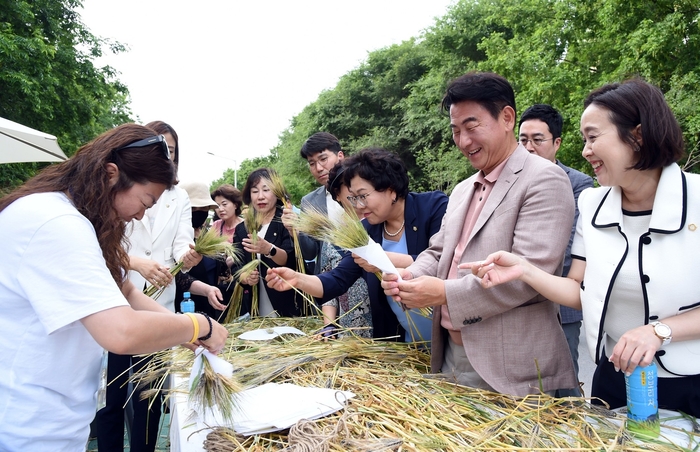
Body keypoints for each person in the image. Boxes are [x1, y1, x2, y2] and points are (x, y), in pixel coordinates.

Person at [462, 78, 700, 416]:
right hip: (615, 380)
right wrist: (524, 270)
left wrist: (660, 331)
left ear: (638, 135)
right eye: (583, 139)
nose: (586, 151)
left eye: (593, 137)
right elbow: (580, 289)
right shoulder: (592, 204)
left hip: (691, 381)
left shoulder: (697, 200)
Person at [0, 124, 227, 451]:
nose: (139, 216)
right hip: (25, 424)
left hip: (53, 417)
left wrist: (186, 334)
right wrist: (198, 325)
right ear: (111, 174)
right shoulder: (57, 224)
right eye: (145, 201)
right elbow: (121, 333)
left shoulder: (79, 220)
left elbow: (127, 292)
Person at [381, 72, 577, 396]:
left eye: (471, 128)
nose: (463, 142)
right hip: (451, 357)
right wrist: (410, 277)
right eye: (456, 131)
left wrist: (443, 293)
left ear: (507, 118)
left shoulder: (544, 179)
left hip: (511, 367)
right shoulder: (461, 190)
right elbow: (438, 252)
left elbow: (527, 274)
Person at [267, 148, 448, 343]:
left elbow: (445, 261)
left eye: (362, 195)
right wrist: (297, 279)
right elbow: (337, 280)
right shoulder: (366, 230)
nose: (358, 206)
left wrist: (381, 259)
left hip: (449, 336)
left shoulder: (433, 207)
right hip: (408, 341)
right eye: (353, 198)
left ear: (390, 189)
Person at [96, 120, 201, 452]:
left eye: (171, 151)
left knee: (149, 395)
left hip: (157, 299)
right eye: (160, 149)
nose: (166, 155)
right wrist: (136, 263)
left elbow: (181, 245)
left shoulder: (179, 197)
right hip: (116, 295)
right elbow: (108, 246)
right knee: (113, 394)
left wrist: (191, 255)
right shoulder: (111, 203)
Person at [519, 104, 595, 396]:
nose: (529, 147)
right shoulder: (509, 181)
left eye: (537, 140)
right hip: (517, 303)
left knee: (565, 384)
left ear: (557, 143)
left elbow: (569, 244)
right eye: (523, 140)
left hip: (561, 301)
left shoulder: (578, 183)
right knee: (527, 387)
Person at [283, 132, 372, 338]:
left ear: (339, 155)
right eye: (312, 163)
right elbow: (311, 250)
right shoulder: (310, 202)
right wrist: (295, 231)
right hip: (331, 286)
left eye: (323, 159)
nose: (319, 168)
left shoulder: (363, 189)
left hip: (368, 276)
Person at [233, 168, 302, 317]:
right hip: (254, 306)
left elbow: (289, 258)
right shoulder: (242, 229)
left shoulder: (285, 220)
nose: (260, 197)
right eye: (255, 191)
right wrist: (244, 276)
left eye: (266, 190)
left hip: (287, 301)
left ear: (277, 192)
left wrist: (268, 249)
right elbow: (236, 264)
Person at [175, 181, 228, 317]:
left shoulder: (208, 236)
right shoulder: (175, 239)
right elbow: (177, 276)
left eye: (204, 209)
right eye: (194, 210)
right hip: (185, 309)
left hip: (210, 307)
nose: (199, 213)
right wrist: (205, 289)